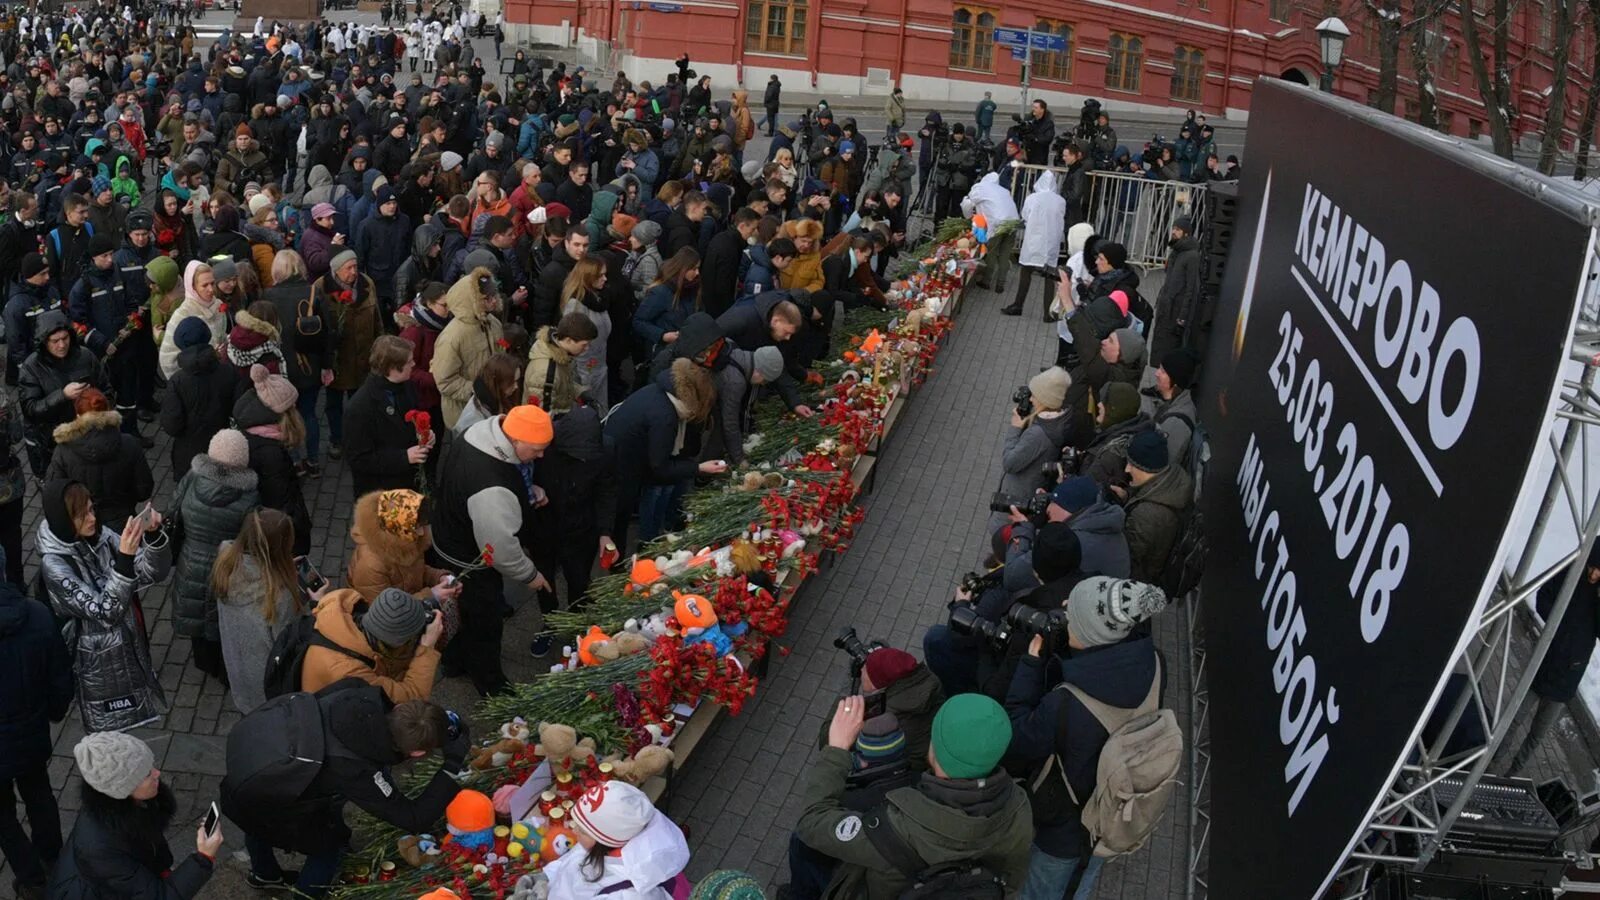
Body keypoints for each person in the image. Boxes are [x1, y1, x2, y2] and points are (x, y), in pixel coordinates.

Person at [1004, 577, 1168, 900]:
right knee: (1082, 879)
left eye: (1072, 619)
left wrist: (1031, 664)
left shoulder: (1067, 703)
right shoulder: (1155, 661)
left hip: (1065, 830)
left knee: (1042, 890)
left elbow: (1016, 737)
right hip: (1111, 814)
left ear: (1093, 637)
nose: (1064, 616)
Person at [787, 693, 1033, 899]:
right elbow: (1011, 882)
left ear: (934, 748)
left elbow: (812, 823)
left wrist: (836, 750)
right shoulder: (1018, 807)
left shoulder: (898, 826)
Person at [231, 686, 469, 897]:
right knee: (327, 849)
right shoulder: (357, 770)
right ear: (417, 754)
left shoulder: (358, 693)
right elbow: (415, 817)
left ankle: (264, 874)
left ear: (399, 707)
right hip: (276, 797)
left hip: (255, 756)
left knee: (255, 821)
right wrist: (453, 764)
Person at [433, 405, 555, 695]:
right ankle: (491, 687)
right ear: (515, 440)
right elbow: (500, 550)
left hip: (447, 541)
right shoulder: (493, 487)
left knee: (455, 614)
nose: (541, 456)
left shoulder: (482, 431)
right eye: (537, 450)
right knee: (484, 624)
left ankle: (453, 662)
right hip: (470, 564)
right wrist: (530, 575)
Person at [38, 479, 172, 733]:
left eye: (91, 510)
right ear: (64, 519)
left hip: (128, 640)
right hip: (96, 660)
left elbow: (153, 572)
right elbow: (105, 611)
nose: (91, 519)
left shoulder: (99, 534)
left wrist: (152, 536)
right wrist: (124, 560)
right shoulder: (54, 565)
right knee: (110, 734)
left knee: (132, 724)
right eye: (81, 515)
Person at [50, 732, 221, 899]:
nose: (157, 773)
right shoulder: (101, 851)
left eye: (151, 765)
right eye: (147, 774)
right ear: (122, 789)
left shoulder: (127, 803)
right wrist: (203, 858)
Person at [0, 577, 72, 900]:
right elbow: (60, 680)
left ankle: (32, 878)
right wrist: (52, 712)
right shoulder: (38, 615)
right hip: (31, 736)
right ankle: (54, 859)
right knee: (40, 795)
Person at [169, 429, 260, 685]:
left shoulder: (192, 478)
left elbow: (172, 510)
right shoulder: (250, 495)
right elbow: (252, 537)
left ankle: (204, 662)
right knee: (223, 618)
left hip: (191, 559)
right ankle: (226, 668)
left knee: (196, 611)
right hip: (228, 565)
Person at [604, 359, 725, 548]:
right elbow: (659, 465)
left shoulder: (662, 391)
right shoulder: (666, 416)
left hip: (622, 455)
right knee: (620, 515)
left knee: (621, 514)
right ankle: (620, 560)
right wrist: (699, 468)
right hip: (622, 466)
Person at [213, 508, 318, 713]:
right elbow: (292, 644)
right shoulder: (281, 597)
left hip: (238, 666)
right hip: (269, 683)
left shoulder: (225, 559)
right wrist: (317, 605)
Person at [529, 403, 618, 641]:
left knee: (579, 580)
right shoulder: (543, 447)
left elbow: (606, 491)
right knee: (544, 581)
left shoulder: (605, 451)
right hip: (544, 526)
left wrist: (605, 532)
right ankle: (549, 624)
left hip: (581, 529)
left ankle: (577, 621)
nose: (583, 460)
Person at [540, 780, 692, 899]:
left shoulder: (627, 895)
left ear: (606, 842)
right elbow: (574, 859)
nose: (574, 831)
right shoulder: (601, 845)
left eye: (583, 830)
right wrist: (545, 877)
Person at [301, 586, 443, 702]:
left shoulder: (343, 615)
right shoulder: (351, 672)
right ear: (395, 643)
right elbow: (411, 698)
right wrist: (426, 648)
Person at [19, 312, 111, 478]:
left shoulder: (85, 356)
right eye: (55, 341)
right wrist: (62, 395)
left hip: (86, 439)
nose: (62, 345)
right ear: (44, 342)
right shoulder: (31, 368)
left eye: (65, 338)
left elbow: (106, 389)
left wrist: (97, 408)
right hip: (52, 444)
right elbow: (30, 409)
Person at [233, 364, 313, 555]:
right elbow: (281, 504)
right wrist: (300, 541)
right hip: (278, 538)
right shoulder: (272, 454)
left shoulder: (250, 433)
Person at [347, 489, 462, 619]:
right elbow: (384, 612)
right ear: (395, 531)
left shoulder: (405, 542)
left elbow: (417, 570)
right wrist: (432, 596)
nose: (421, 533)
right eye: (416, 528)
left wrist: (439, 577)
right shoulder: (370, 565)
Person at [988, 367, 1076, 536]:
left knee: (1003, 536)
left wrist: (1015, 428)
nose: (1031, 398)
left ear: (1045, 400)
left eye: (1035, 395)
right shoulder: (1060, 420)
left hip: (1017, 498)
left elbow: (1010, 463)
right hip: (1032, 489)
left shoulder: (1038, 435)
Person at [343, 335, 434, 498]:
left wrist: (424, 432)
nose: (414, 365)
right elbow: (359, 459)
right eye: (409, 362)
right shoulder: (359, 407)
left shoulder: (406, 385)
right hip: (383, 494)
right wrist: (404, 457)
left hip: (408, 484)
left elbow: (414, 413)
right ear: (392, 368)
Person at [316, 249, 384, 461]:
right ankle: (337, 439)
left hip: (363, 358)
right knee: (334, 404)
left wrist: (380, 347)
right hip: (337, 359)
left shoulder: (367, 284)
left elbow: (377, 319)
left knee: (360, 404)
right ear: (336, 270)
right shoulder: (320, 288)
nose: (354, 272)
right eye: (349, 268)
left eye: (356, 266)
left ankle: (358, 438)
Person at [1000, 477, 1131, 584]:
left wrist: (1022, 528)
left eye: (1050, 513)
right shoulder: (1105, 524)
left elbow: (1013, 576)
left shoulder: (1070, 544)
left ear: (1069, 510)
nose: (1047, 512)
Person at [159, 316, 241, 479]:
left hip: (190, 455)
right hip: (224, 447)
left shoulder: (177, 381)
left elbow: (171, 425)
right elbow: (237, 409)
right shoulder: (228, 371)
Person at [1114, 431, 1193, 583]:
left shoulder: (1146, 515)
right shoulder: (1174, 478)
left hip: (1140, 580)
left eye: (1132, 464)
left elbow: (1126, 558)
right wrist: (1127, 496)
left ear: (1145, 468)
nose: (1127, 469)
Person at [433, 267, 507, 429]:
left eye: (494, 295)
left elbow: (501, 353)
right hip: (464, 414)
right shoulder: (452, 337)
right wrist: (478, 392)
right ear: (472, 300)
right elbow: (445, 382)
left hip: (491, 409)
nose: (494, 300)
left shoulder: (493, 323)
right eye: (487, 298)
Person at [1003, 170, 1066, 318]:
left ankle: (1018, 304)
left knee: (1026, 272)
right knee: (1049, 277)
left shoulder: (1032, 198)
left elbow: (1025, 215)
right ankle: (1048, 312)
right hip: (1051, 242)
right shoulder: (1060, 200)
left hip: (1033, 240)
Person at [158, 261, 227, 379]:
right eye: (204, 285)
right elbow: (167, 359)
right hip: (198, 381)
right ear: (192, 287)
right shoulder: (182, 315)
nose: (211, 289)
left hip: (219, 375)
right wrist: (187, 385)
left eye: (212, 283)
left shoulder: (218, 305)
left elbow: (221, 335)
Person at [560, 257, 614, 409]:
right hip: (585, 371)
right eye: (600, 275)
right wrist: (585, 376)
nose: (605, 278)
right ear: (588, 277)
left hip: (598, 364)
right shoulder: (576, 305)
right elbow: (573, 342)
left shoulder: (598, 298)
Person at [525, 312, 597, 415]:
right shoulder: (545, 373)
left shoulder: (562, 354)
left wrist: (580, 392)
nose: (587, 348)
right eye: (584, 345)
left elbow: (562, 383)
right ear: (568, 340)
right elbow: (542, 415)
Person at [960, 173, 1021, 292]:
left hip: (997, 224)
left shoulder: (980, 187)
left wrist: (967, 217)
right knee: (1004, 254)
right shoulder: (1004, 190)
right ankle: (1000, 285)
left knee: (991, 252)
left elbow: (967, 204)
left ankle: (986, 281)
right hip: (1013, 224)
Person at [1152, 216, 1201, 363]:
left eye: (1178, 229)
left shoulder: (1192, 256)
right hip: (1166, 309)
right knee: (1161, 349)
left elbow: (1191, 289)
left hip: (1175, 312)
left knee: (1169, 351)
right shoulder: (1176, 251)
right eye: (1173, 228)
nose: (1173, 232)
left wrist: (1182, 318)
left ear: (1186, 233)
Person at [1148, 349, 1199, 466]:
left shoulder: (1175, 424)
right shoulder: (1175, 404)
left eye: (1163, 371)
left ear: (1175, 381)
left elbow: (1160, 466)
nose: (1156, 373)